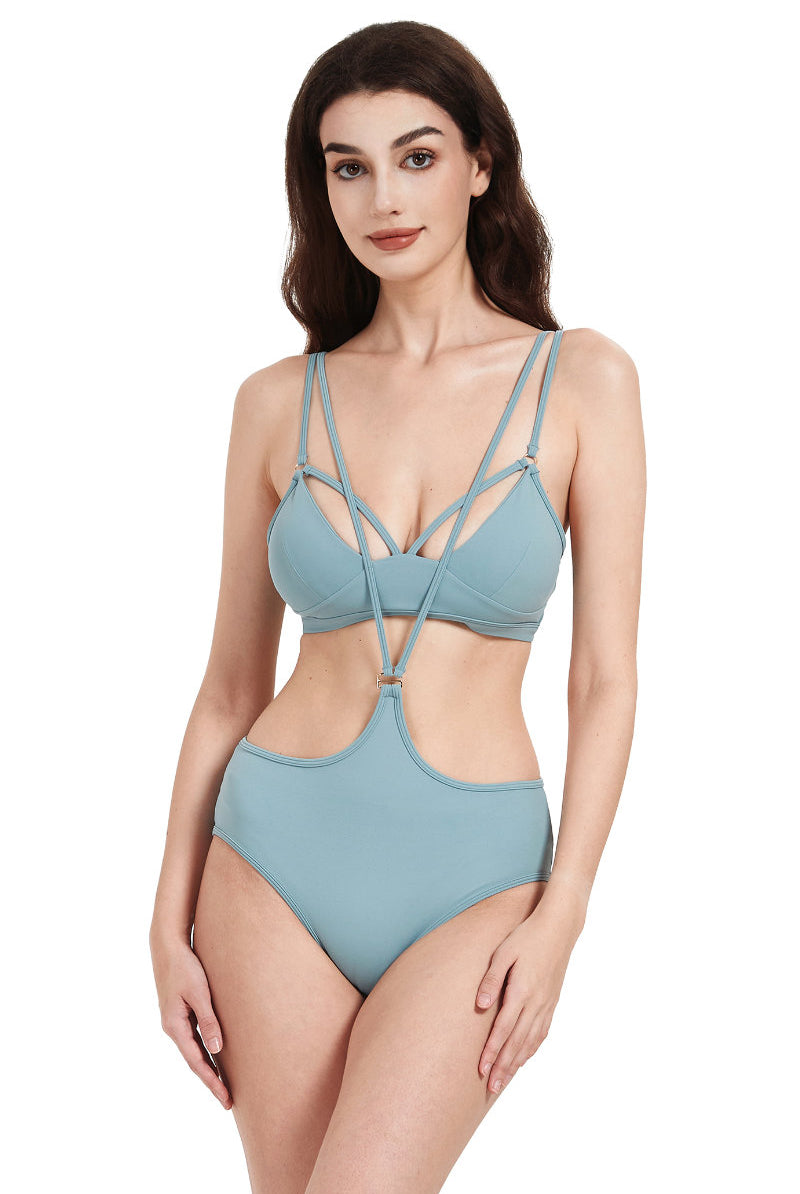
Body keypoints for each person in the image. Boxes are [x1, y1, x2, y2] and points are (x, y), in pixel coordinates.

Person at [149, 20, 645, 1194]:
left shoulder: (582, 379)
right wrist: (165, 919)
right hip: (269, 862)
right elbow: (228, 685)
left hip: (475, 878)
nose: (382, 197)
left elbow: (604, 679)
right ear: (318, 187)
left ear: (480, 162)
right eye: (348, 166)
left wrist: (565, 910)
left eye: (416, 156)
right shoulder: (277, 401)